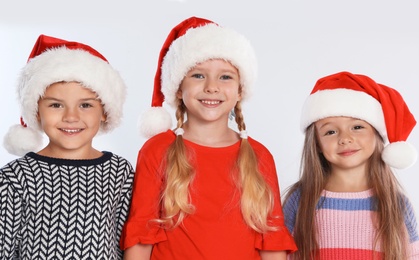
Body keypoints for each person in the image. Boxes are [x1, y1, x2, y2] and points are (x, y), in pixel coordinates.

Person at [120, 16, 297, 259]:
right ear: (179, 88)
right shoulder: (158, 150)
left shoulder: (259, 156)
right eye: (198, 75)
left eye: (225, 77)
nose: (211, 87)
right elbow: (142, 233)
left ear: (240, 90)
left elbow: (272, 240)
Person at [0, 34, 134, 259]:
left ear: (104, 112)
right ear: (36, 110)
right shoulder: (15, 177)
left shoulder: (120, 172)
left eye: (85, 105)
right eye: (55, 105)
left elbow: (126, 243)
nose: (71, 116)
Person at [282, 71, 419, 259]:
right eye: (330, 131)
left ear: (377, 134)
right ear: (317, 144)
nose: (345, 139)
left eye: (357, 127)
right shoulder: (300, 200)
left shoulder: (396, 204)